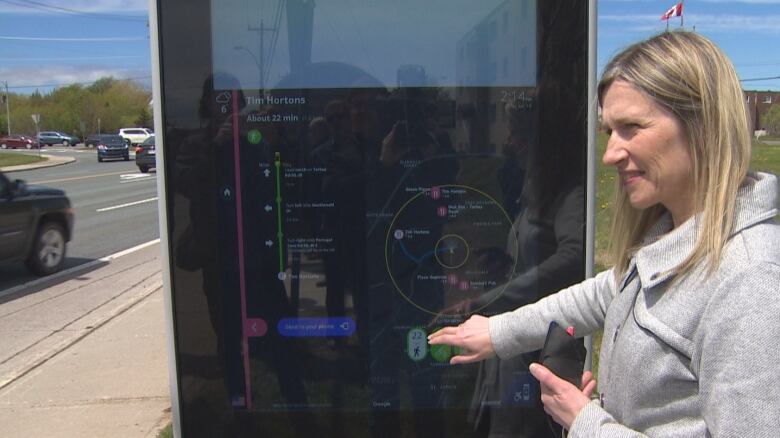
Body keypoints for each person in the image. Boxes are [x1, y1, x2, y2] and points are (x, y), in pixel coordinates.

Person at [428, 30, 780, 437]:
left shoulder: (751, 282)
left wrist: (587, 422)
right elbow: (601, 294)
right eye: (609, 130)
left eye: (631, 127)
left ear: (702, 125)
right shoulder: (676, 235)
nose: (611, 153)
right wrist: (497, 331)